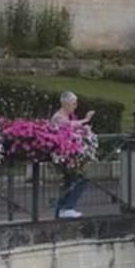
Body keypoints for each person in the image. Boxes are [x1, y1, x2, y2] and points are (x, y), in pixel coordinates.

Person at [51, 91, 94, 219]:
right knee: (80, 180)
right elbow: (68, 126)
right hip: (64, 156)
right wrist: (86, 120)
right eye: (74, 104)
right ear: (66, 104)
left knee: (71, 182)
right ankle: (66, 208)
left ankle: (62, 210)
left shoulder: (66, 116)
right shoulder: (59, 117)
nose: (75, 106)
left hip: (67, 156)